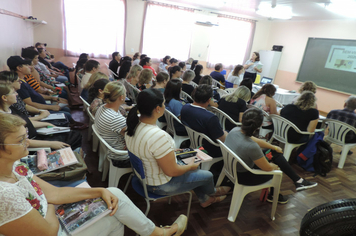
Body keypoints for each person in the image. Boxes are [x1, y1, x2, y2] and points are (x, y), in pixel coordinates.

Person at [0, 113, 187, 236]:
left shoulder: (15, 166)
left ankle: (157, 233)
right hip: (51, 227)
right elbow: (48, 230)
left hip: (48, 215)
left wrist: (98, 191)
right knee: (115, 214)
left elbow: (54, 194)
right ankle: (160, 233)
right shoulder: (4, 194)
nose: (28, 142)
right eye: (20, 140)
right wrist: (50, 204)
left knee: (112, 195)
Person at [125, 88, 230, 208]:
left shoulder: (133, 125)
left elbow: (148, 150)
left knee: (195, 173)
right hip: (159, 185)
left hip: (143, 178)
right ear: (158, 109)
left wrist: (170, 152)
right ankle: (212, 193)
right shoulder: (158, 136)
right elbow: (172, 171)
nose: (165, 106)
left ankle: (205, 199)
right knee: (207, 175)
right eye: (164, 104)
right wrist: (190, 166)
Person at [224, 109, 318, 204]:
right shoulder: (251, 147)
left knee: (274, 153)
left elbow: (255, 140)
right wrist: (275, 167)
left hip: (233, 168)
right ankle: (273, 196)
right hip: (245, 176)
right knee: (276, 172)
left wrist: (273, 147)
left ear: (242, 119)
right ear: (261, 124)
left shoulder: (235, 130)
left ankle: (298, 181)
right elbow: (268, 168)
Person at [0, 82, 75, 150]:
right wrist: (52, 144)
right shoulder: (4, 119)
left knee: (70, 133)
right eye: (13, 92)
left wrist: (46, 124)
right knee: (75, 136)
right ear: (4, 98)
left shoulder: (11, 109)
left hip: (36, 135)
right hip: (33, 144)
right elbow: (22, 141)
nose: (17, 94)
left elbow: (27, 122)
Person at [181, 85, 228, 158]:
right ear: (209, 100)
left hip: (193, 141)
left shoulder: (184, 107)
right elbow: (222, 140)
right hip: (209, 149)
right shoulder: (210, 117)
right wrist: (225, 133)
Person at [94, 81, 131, 168]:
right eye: (125, 93)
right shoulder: (115, 118)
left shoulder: (102, 108)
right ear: (121, 97)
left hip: (112, 149)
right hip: (121, 157)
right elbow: (132, 136)